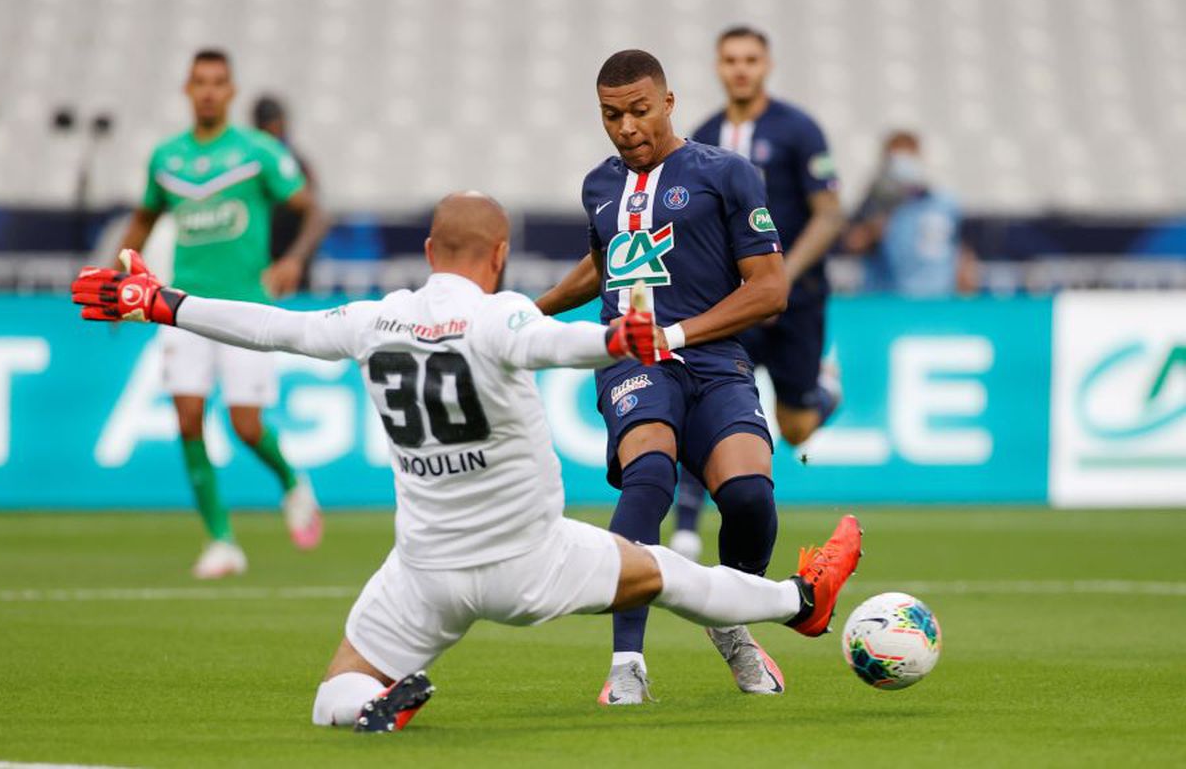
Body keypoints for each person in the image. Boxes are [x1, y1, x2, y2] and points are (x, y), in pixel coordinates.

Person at [71, 192, 864, 733]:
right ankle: (801, 599)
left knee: (332, 693)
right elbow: (554, 342)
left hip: (426, 572)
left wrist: (162, 302)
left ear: (427, 251)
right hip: (533, 560)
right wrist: (617, 339)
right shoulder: (500, 313)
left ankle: (371, 708)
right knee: (665, 574)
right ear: (499, 255)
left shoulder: (374, 318)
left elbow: (277, 328)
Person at [535, 50, 795, 703]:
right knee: (650, 473)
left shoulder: (727, 175)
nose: (626, 128)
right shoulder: (599, 187)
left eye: (639, 111)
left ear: (670, 102)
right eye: (611, 115)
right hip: (631, 358)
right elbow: (606, 267)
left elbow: (769, 289)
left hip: (711, 358)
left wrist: (676, 333)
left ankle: (729, 619)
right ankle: (627, 665)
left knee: (749, 499)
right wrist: (529, 312)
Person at [118, 49, 330, 578]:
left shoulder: (257, 152)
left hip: (245, 308)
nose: (209, 91)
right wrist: (115, 280)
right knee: (188, 418)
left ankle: (291, 483)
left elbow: (314, 210)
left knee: (247, 426)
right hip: (181, 306)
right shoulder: (166, 158)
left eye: (218, 83)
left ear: (231, 92)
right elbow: (143, 220)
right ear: (188, 90)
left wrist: (294, 259)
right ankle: (221, 541)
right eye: (200, 82)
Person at [671, 27, 847, 563]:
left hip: (797, 297)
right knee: (705, 398)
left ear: (766, 64)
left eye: (750, 59)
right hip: (731, 302)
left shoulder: (799, 130)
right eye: (730, 60)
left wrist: (783, 274)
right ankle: (684, 525)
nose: (741, 69)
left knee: (794, 430)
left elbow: (829, 212)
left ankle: (826, 393)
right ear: (718, 67)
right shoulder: (701, 133)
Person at [844, 130, 976, 295]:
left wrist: (966, 277)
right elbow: (854, 244)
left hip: (938, 299)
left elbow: (958, 246)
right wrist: (880, 218)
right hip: (890, 302)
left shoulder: (944, 202)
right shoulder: (874, 202)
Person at [252, 94, 326, 291]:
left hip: (293, 273)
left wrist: (294, 259)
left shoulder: (298, 166)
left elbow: (318, 216)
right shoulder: (249, 168)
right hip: (257, 270)